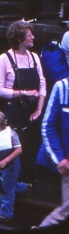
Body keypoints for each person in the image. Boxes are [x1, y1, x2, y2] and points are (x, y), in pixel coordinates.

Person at [0, 20, 45, 185]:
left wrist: (39, 108)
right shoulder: (4, 59)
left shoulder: (34, 57)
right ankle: (12, 185)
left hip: (33, 112)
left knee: (32, 146)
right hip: (14, 112)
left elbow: (42, 83)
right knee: (15, 148)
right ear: (19, 39)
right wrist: (24, 93)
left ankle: (29, 183)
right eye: (30, 36)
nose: (33, 38)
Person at [38, 72, 69, 227]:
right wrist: (60, 158)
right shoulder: (62, 87)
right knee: (65, 211)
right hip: (67, 162)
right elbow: (47, 126)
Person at [0, 110, 25, 222]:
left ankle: (6, 213)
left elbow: (19, 150)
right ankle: (25, 187)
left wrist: (6, 160)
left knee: (5, 189)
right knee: (9, 184)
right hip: (3, 163)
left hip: (11, 165)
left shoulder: (12, 134)